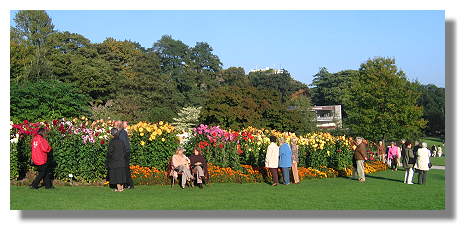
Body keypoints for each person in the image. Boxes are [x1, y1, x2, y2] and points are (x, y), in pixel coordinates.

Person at [106, 128, 129, 192]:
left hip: (115, 161)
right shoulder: (121, 141)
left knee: (117, 175)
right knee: (121, 174)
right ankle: (121, 188)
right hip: (122, 161)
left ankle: (119, 189)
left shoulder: (112, 142)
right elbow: (125, 151)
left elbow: (110, 152)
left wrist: (109, 158)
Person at [118, 121, 133, 189]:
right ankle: (127, 184)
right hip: (125, 152)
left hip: (124, 153)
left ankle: (128, 184)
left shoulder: (122, 133)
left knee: (125, 169)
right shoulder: (122, 132)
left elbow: (122, 143)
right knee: (125, 169)